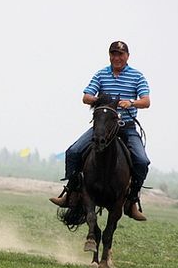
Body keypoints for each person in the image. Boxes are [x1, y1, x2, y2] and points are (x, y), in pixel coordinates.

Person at [49, 40, 151, 221]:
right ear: (110, 56)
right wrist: (100, 101)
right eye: (113, 54)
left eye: (120, 54)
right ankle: (70, 193)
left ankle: (132, 200)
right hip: (103, 127)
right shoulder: (101, 74)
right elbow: (86, 97)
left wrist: (131, 102)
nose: (116, 58)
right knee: (72, 152)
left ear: (127, 56)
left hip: (126, 127)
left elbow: (146, 101)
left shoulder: (137, 76)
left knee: (142, 161)